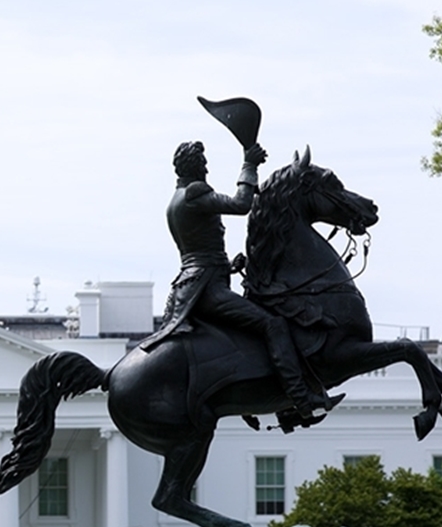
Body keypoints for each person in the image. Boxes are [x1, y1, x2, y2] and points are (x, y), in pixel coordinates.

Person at [139, 140, 341, 419]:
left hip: (192, 283)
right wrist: (249, 164)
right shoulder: (194, 193)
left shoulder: (175, 200)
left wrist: (229, 266)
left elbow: (199, 252)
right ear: (195, 165)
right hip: (207, 289)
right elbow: (241, 204)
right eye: (204, 162)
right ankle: (300, 398)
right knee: (273, 324)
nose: (207, 167)